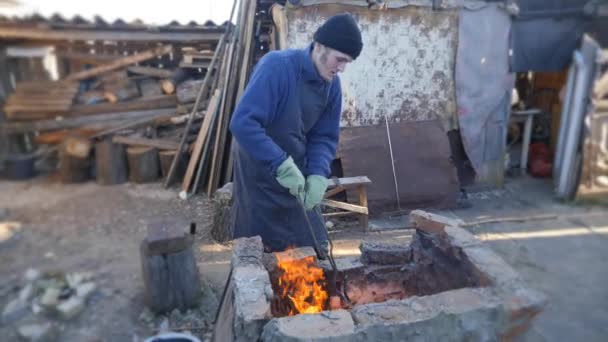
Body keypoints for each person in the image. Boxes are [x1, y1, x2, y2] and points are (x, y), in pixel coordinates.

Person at [229, 13, 363, 254]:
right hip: (259, 168)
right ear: (319, 46)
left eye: (347, 63)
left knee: (313, 245)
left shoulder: (332, 86)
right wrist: (279, 164)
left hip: (297, 169)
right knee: (261, 247)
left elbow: (324, 137)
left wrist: (318, 173)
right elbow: (243, 123)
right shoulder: (277, 67)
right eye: (339, 59)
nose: (341, 68)